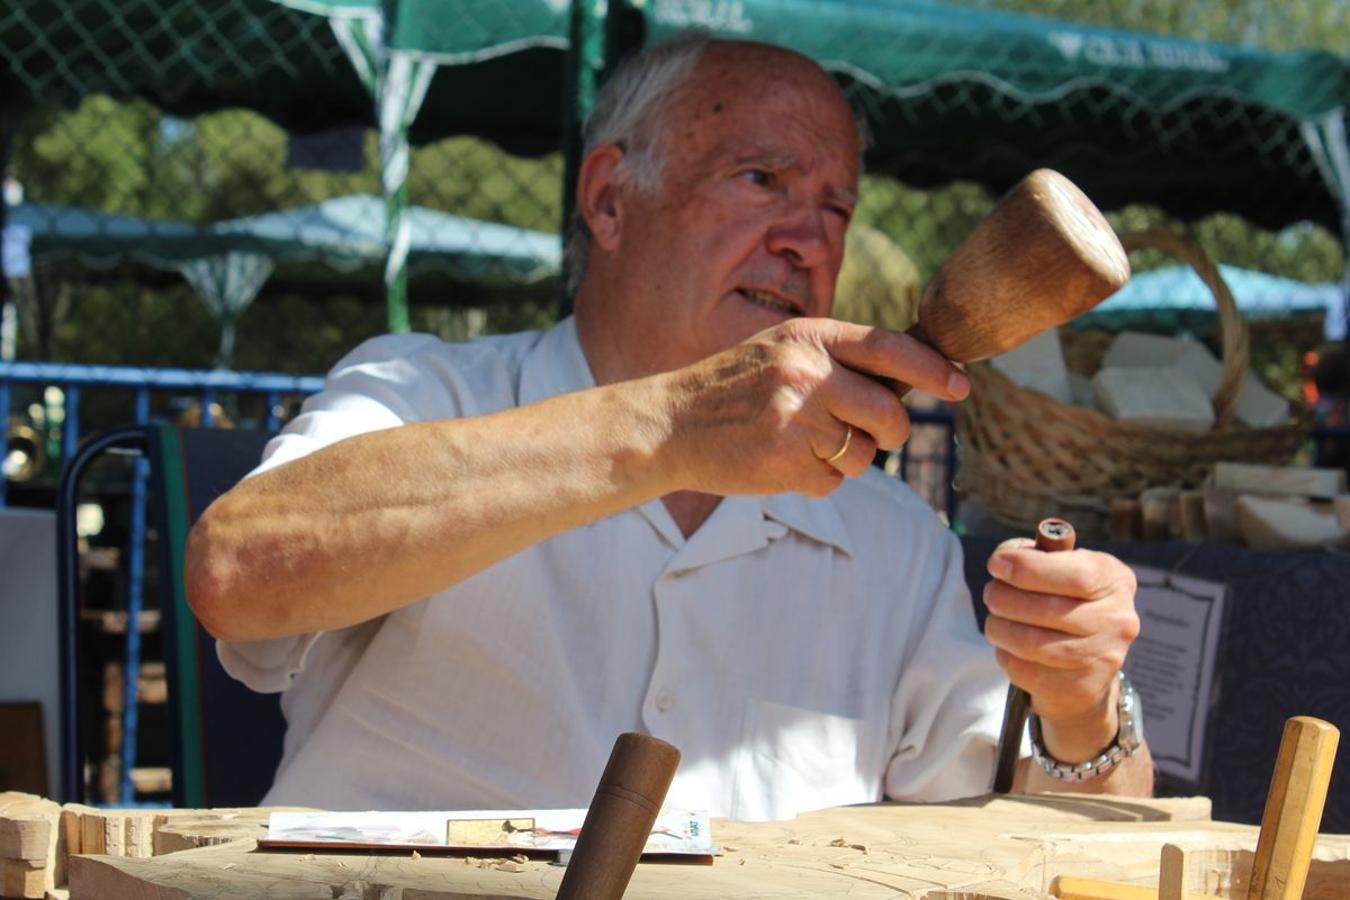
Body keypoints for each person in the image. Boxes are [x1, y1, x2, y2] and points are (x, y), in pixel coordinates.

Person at [186, 33, 1153, 820]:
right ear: (610, 198)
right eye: (762, 179)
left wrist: (1081, 711)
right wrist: (676, 426)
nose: (807, 238)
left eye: (835, 205)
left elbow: (1090, 830)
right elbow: (236, 573)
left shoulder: (891, 539)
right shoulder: (428, 391)